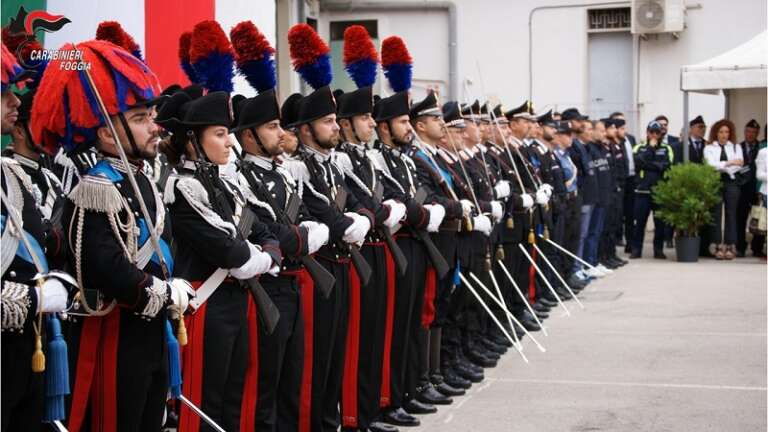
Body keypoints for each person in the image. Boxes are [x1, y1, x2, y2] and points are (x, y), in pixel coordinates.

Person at [630, 121, 674, 259]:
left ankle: (658, 250)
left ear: (661, 133)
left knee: (660, 224)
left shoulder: (667, 149)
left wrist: (648, 165)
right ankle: (636, 250)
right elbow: (638, 163)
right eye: (651, 132)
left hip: (659, 192)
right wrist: (650, 148)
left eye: (657, 132)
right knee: (639, 224)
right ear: (647, 133)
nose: (654, 135)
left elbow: (666, 166)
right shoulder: (639, 147)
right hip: (642, 191)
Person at [704, 119, 743, 260]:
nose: (724, 135)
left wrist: (722, 167)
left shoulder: (735, 147)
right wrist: (729, 163)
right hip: (715, 183)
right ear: (716, 133)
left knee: (731, 214)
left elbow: (739, 165)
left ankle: (730, 245)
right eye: (721, 132)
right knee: (716, 213)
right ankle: (717, 245)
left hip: (731, 183)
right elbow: (710, 165)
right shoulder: (709, 148)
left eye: (726, 132)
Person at [610, 111, 636, 252]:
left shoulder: (630, 139)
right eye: (620, 126)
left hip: (631, 178)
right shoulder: (614, 143)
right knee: (617, 213)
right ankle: (617, 239)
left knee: (631, 213)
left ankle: (630, 243)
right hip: (619, 180)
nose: (623, 130)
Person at [736, 119, 761, 257]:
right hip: (743, 188)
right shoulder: (737, 147)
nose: (751, 134)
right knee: (740, 218)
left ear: (758, 133)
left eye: (754, 132)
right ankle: (740, 246)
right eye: (748, 131)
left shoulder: (762, 147)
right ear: (745, 132)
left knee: (758, 218)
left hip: (757, 188)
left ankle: (757, 247)